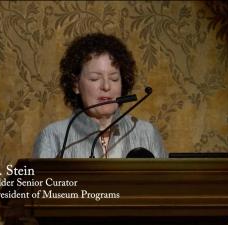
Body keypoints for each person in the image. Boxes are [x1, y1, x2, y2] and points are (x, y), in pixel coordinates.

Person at [33, 33, 167, 158]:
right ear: (75, 84)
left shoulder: (146, 133)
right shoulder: (53, 136)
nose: (106, 86)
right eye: (94, 79)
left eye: (114, 79)